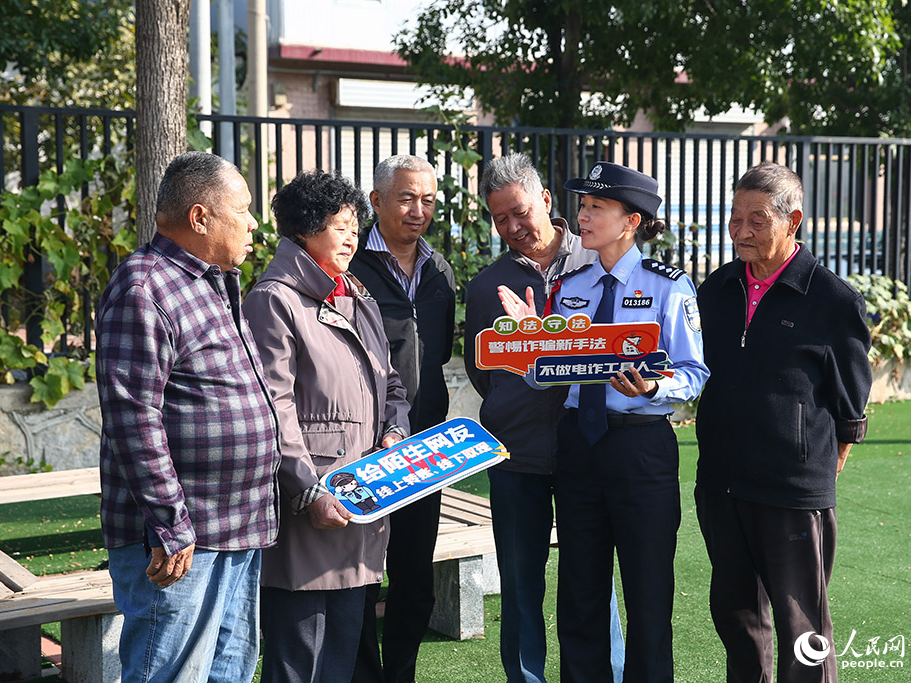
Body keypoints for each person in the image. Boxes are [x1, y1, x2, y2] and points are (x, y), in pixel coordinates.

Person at [500, 161, 709, 683]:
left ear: (631, 221)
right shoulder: (570, 285)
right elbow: (548, 377)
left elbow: (694, 372)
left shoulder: (669, 286)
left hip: (642, 449)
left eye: (597, 207)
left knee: (648, 593)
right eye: (583, 206)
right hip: (578, 445)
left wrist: (654, 388)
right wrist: (531, 344)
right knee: (580, 592)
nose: (583, 216)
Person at [96, 151, 281, 682]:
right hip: (181, 538)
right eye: (242, 211)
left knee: (229, 671)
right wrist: (171, 524)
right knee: (171, 673)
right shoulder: (144, 288)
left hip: (236, 525)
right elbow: (134, 418)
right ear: (200, 218)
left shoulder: (212, 280)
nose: (253, 224)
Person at [694, 162, 873, 682]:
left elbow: (850, 403)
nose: (741, 230)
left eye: (757, 219)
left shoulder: (833, 300)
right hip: (721, 484)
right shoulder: (717, 289)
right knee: (736, 617)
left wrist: (815, 472)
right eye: (735, 217)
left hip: (791, 491)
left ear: (792, 221)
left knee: (803, 628)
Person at [243, 169, 411, 683]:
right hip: (311, 506)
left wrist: (395, 433)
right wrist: (307, 490)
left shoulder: (356, 295)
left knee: (342, 653)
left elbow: (392, 384)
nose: (352, 238)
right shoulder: (274, 299)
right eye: (340, 227)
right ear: (304, 229)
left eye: (355, 227)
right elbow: (273, 406)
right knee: (300, 661)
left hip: (364, 497)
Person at [464, 152, 626, 683]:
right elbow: (483, 371)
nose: (513, 227)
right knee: (519, 586)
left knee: (592, 581)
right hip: (515, 456)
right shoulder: (487, 286)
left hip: (589, 449)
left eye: (520, 212)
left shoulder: (599, 260)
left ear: (547, 200)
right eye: (499, 219)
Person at [349, 155, 456, 683]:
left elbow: (438, 356)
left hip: (424, 449)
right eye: (407, 198)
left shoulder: (441, 270)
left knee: (414, 575)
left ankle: (402, 675)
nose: (419, 211)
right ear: (376, 201)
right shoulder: (348, 266)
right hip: (364, 448)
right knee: (360, 578)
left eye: (428, 200)